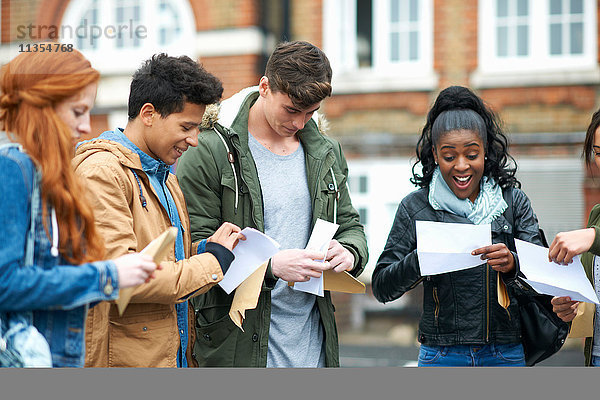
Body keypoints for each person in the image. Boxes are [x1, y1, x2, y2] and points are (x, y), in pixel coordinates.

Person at [176, 40, 368, 367]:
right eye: (292, 110)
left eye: (311, 113)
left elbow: (350, 226)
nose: (299, 123)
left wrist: (349, 251)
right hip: (237, 345)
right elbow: (193, 249)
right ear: (264, 87)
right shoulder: (209, 150)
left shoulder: (326, 151)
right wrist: (271, 266)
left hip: (314, 347)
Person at [72, 53, 242, 368]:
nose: (194, 140)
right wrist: (212, 263)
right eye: (186, 126)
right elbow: (124, 275)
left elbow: (163, 261)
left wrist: (207, 248)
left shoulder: (166, 176)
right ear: (149, 113)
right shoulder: (101, 172)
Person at [0, 48, 158, 368]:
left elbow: (56, 286)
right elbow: (6, 283)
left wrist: (117, 278)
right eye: (77, 112)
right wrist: (107, 276)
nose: (86, 126)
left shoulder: (48, 175)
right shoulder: (14, 168)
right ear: (41, 108)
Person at [372, 85, 544, 367]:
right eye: (449, 156)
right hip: (441, 354)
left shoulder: (513, 202)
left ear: (486, 151)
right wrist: (420, 261)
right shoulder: (416, 207)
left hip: (504, 351)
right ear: (435, 155)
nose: (462, 166)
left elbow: (545, 281)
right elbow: (381, 287)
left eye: (472, 154)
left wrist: (513, 264)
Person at [548, 108, 600, 367]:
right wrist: (574, 307)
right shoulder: (597, 214)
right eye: (599, 152)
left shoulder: (594, 231)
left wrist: (594, 236)